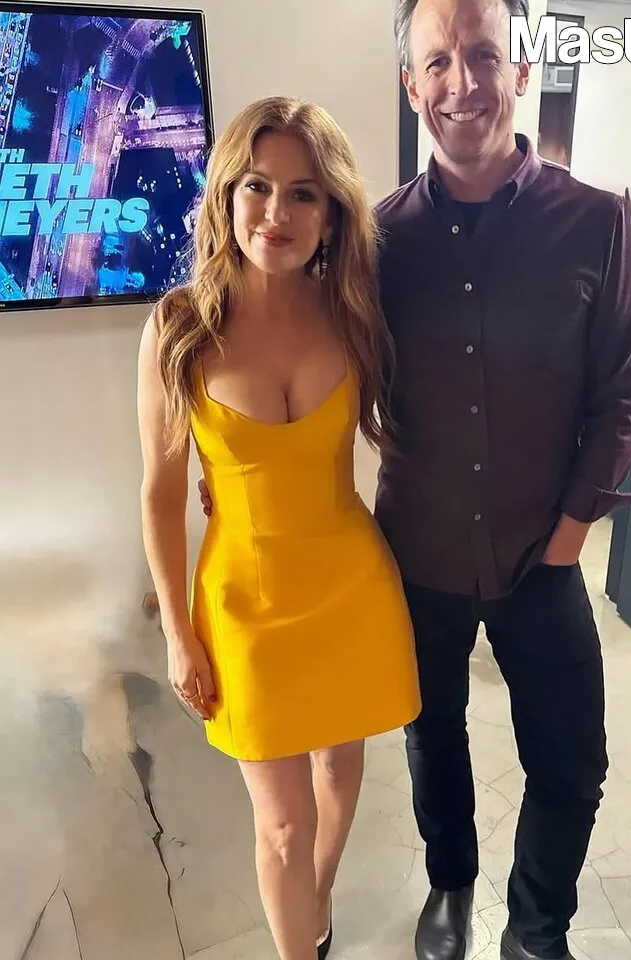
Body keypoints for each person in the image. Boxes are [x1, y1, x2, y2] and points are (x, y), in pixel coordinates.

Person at [202, 1, 631, 956]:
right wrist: (230, 466)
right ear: (411, 85)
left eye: (483, 55)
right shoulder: (371, 244)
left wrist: (570, 536)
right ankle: (450, 885)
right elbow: (288, 344)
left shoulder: (598, 222)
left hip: (545, 552)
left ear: (521, 69)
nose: (462, 82)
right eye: (437, 61)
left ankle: (536, 930)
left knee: (571, 763)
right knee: (431, 735)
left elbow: (623, 392)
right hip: (415, 553)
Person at [137, 96, 421, 960]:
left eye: (304, 193)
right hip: (245, 604)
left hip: (351, 586)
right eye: (257, 186)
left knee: (341, 769)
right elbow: (160, 494)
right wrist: (178, 634)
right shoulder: (180, 326)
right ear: (226, 193)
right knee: (283, 824)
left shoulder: (353, 314)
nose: (276, 212)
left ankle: (316, 904)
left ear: (331, 212)